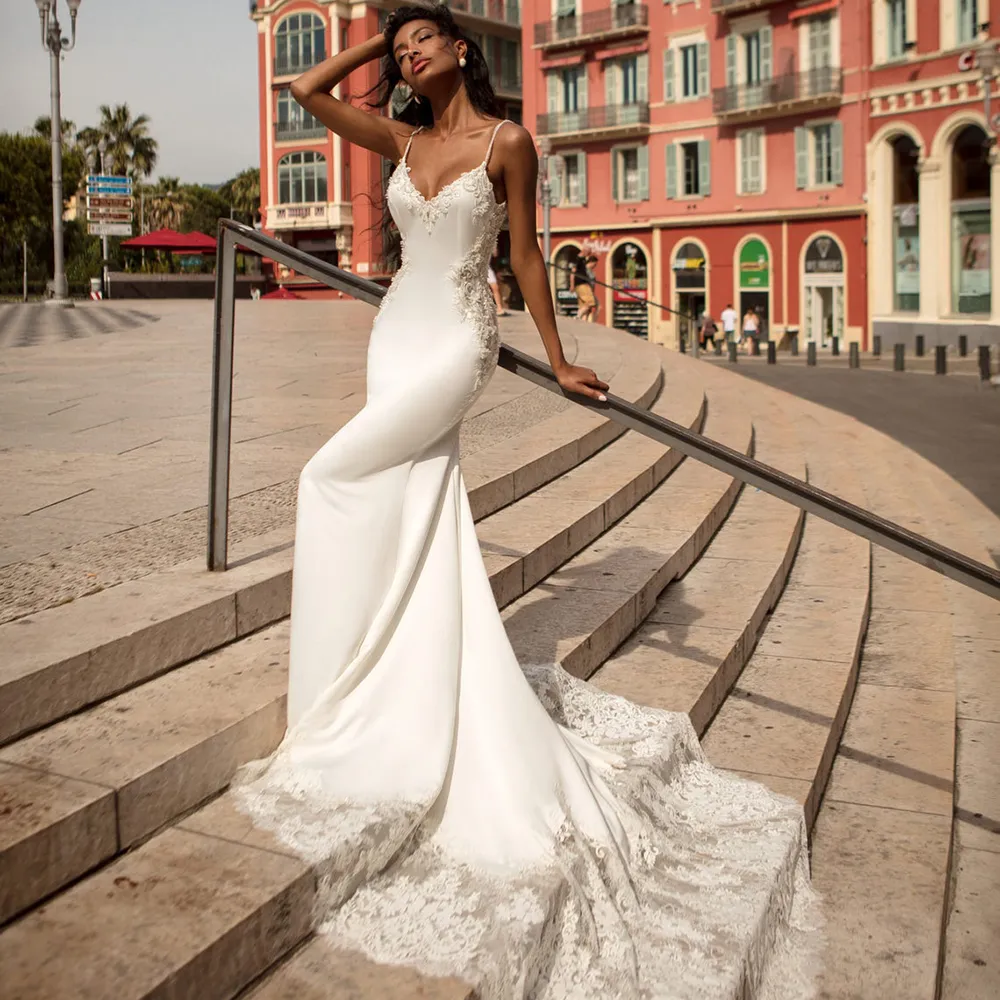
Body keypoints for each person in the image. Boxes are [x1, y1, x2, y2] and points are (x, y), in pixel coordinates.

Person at [231, 6, 818, 997]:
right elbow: (305, 95)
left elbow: (525, 257)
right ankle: (371, 686)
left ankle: (344, 692)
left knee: (326, 477)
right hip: (394, 339)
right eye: (402, 44)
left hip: (456, 343)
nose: (412, 52)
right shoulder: (403, 134)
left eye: (424, 38)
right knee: (405, 505)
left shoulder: (508, 142)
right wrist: (375, 44)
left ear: (466, 49)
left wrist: (557, 357)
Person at [573, 252, 597, 321]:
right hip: (584, 286)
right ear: (592, 262)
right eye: (595, 264)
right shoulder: (584, 268)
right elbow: (579, 257)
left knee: (585, 306)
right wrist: (585, 252)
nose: (595, 266)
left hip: (582, 287)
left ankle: (583, 322)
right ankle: (578, 316)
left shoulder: (587, 270)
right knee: (590, 303)